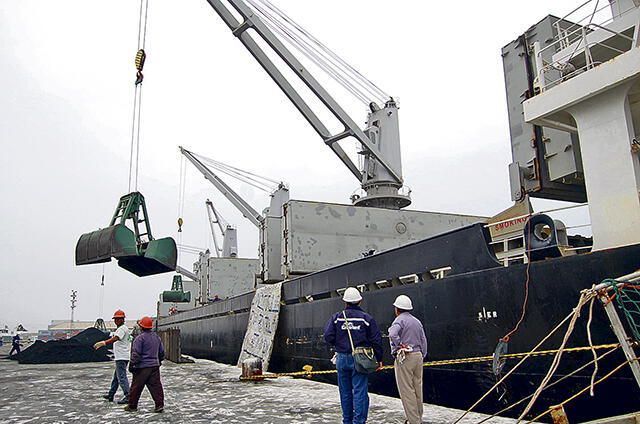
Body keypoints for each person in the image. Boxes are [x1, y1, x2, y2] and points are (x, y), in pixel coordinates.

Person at [323, 287, 383, 424]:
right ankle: (359, 421)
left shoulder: (337, 318)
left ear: (345, 302)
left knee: (345, 392)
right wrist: (379, 359)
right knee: (360, 391)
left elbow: (327, 335)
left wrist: (338, 344)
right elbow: (376, 340)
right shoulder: (366, 319)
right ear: (360, 301)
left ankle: (347, 420)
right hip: (359, 359)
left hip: (341, 358)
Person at [388, 295, 428, 424]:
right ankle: (418, 417)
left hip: (405, 356)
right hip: (418, 356)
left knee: (407, 390)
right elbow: (423, 340)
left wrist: (399, 345)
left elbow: (392, 334)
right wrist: (422, 354)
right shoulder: (417, 321)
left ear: (396, 309)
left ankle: (413, 421)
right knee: (417, 388)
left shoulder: (399, 320)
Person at [125, 316, 165, 413]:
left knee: (136, 387)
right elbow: (161, 352)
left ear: (141, 327)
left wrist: (132, 365)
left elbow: (136, 354)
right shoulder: (156, 338)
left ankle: (132, 406)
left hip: (142, 367)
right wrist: (158, 362)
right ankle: (159, 405)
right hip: (154, 366)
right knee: (156, 386)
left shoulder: (139, 339)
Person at [93, 309, 132, 404]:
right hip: (121, 356)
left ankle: (128, 396)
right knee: (116, 377)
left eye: (118, 319)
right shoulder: (121, 329)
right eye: (115, 319)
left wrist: (104, 343)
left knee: (121, 377)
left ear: (123, 320)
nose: (116, 321)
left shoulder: (122, 329)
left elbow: (116, 338)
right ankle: (111, 394)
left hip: (121, 357)